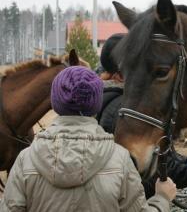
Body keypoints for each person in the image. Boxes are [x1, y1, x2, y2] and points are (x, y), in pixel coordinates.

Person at [0, 66, 176, 211]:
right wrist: (162, 199)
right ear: (96, 103)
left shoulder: (26, 160)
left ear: (55, 101)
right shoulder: (120, 160)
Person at [97, 33, 187, 195]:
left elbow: (159, 150)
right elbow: (158, 167)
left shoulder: (113, 100)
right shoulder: (122, 111)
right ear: (118, 76)